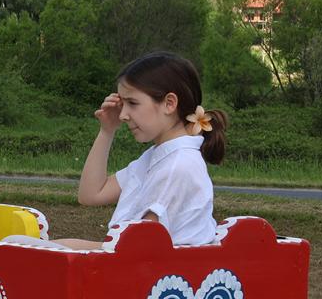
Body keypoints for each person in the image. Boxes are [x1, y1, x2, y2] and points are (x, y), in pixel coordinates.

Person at [51, 51, 226, 250]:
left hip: (153, 275)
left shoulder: (177, 166)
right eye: (123, 104)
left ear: (169, 103)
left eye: (132, 103)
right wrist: (107, 131)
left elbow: (136, 248)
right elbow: (91, 194)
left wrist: (67, 246)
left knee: (27, 248)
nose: (123, 115)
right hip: (144, 270)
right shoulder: (157, 157)